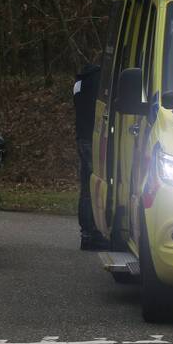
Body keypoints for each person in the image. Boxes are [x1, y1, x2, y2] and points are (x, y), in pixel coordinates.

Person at [74, 63, 108, 250]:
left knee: (86, 186)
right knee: (94, 184)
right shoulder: (98, 80)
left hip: (82, 136)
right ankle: (92, 232)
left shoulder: (80, 82)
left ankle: (86, 232)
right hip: (92, 136)